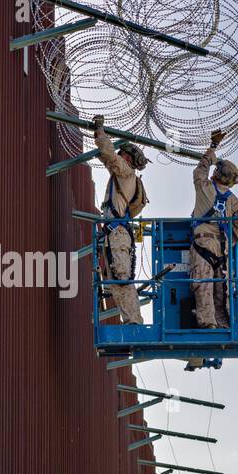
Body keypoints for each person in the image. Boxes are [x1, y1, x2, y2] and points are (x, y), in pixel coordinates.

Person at [92, 115, 149, 324]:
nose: (119, 155)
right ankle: (132, 321)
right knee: (117, 280)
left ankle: (134, 323)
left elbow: (108, 155)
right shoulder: (124, 175)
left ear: (127, 158)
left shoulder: (126, 173)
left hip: (117, 234)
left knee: (122, 278)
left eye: (122, 153)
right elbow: (106, 156)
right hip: (114, 234)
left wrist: (99, 131)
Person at [189, 130, 238, 329]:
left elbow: (200, 169)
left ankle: (208, 324)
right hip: (222, 251)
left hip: (202, 244)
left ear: (216, 174)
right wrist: (226, 241)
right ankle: (223, 325)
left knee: (203, 286)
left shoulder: (204, 187)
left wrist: (213, 147)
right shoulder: (235, 203)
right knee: (221, 292)